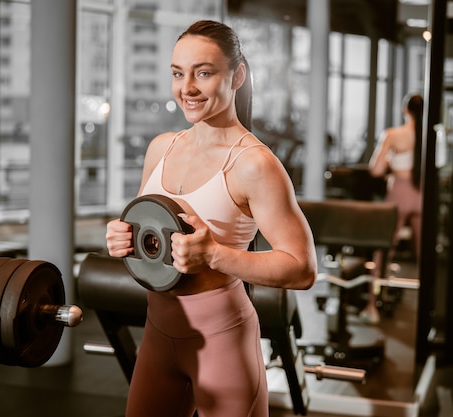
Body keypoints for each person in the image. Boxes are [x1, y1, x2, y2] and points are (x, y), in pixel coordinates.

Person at [105, 20, 317, 417]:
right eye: (177, 73)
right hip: (157, 331)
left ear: (237, 76)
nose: (187, 88)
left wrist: (215, 255)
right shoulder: (161, 148)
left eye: (203, 72)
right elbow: (149, 237)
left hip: (223, 339)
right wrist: (124, 239)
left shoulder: (254, 164)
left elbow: (302, 268)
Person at [361, 93, 424, 324]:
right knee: (424, 253)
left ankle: (372, 307)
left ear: (405, 110)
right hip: (423, 193)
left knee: (383, 250)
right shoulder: (431, 136)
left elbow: (375, 170)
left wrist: (389, 161)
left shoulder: (394, 135)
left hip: (399, 192)